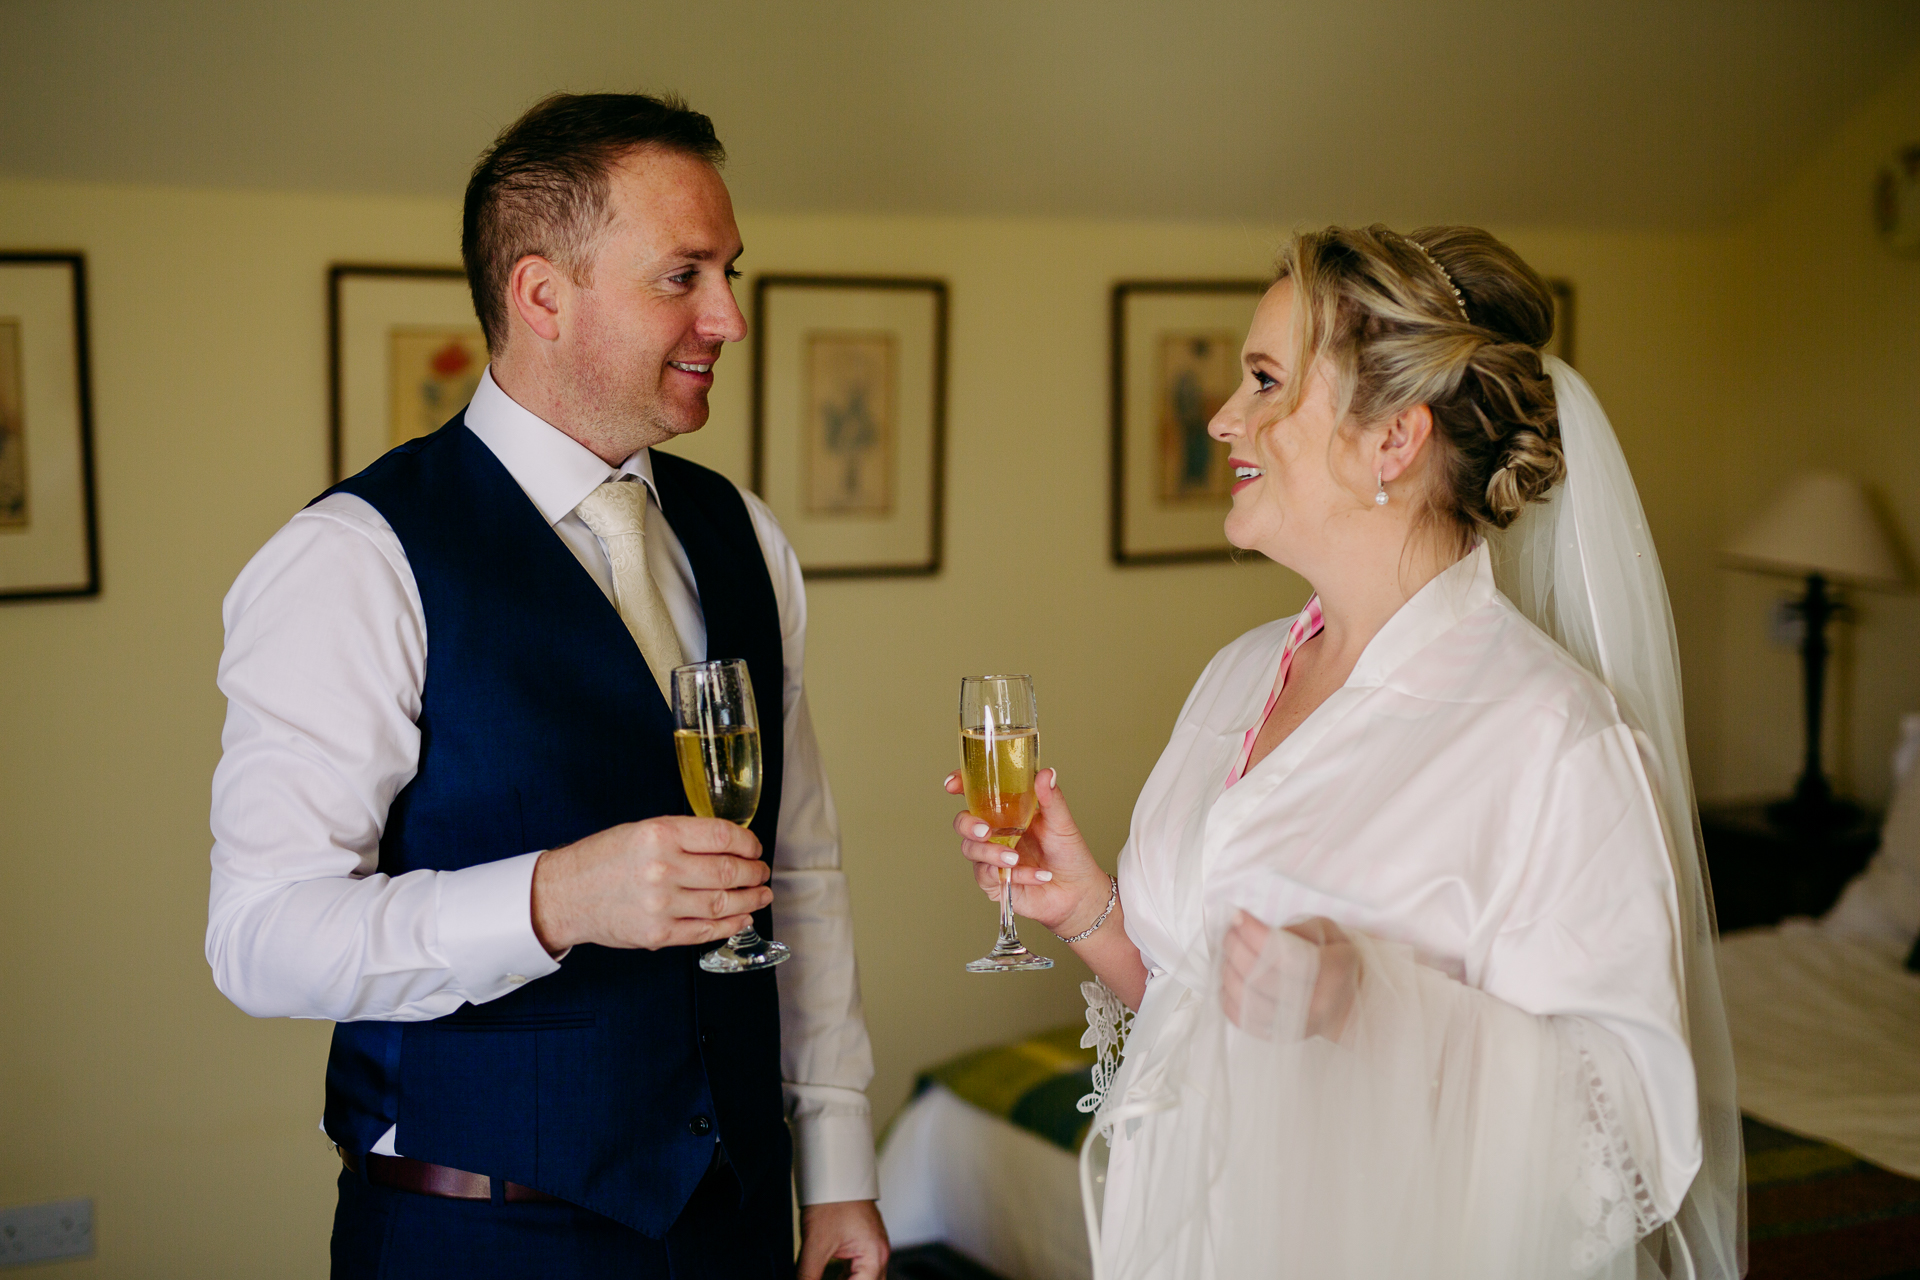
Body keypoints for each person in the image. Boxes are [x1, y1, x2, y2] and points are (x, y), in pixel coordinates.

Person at [947, 226, 1741, 1278]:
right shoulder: (1238, 676)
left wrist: (1367, 1000)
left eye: (1267, 381)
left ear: (1393, 441)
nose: (1225, 417)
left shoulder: (1553, 739)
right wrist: (1087, 906)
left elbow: (1629, 1140)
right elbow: (1206, 1010)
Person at [208, 93, 888, 1280]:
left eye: (731, 271)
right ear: (541, 294)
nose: (730, 316)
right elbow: (259, 937)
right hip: (472, 1232)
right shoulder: (356, 558)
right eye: (683, 275)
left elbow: (806, 873)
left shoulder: (742, 538)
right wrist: (553, 898)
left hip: (735, 1220)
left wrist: (838, 1168)